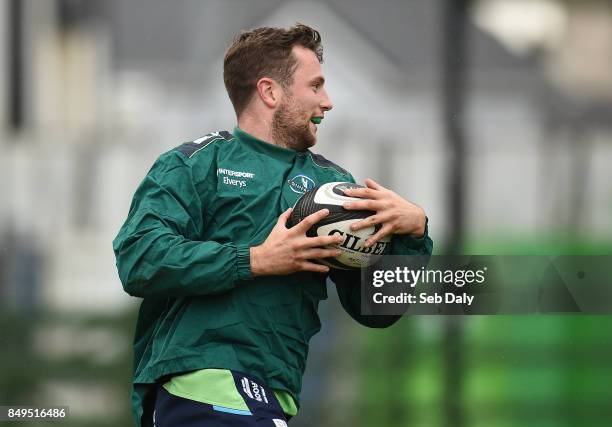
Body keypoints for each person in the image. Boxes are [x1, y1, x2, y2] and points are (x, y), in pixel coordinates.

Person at [113, 23, 433, 427]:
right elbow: (139, 258)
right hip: (202, 383)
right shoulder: (193, 165)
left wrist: (414, 233)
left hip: (275, 394)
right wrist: (255, 260)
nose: (328, 101)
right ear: (270, 92)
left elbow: (376, 311)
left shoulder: (333, 188)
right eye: (315, 86)